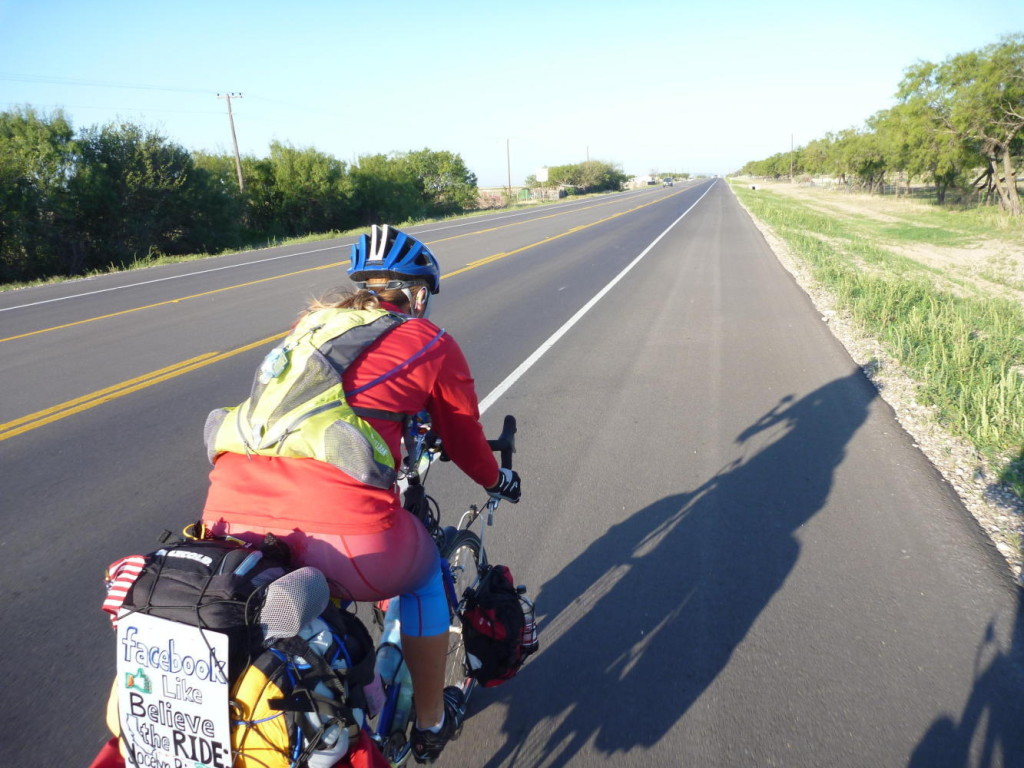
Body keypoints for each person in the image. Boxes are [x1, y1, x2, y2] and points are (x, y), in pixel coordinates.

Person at [201, 225, 522, 764]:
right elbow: (464, 435)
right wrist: (497, 481)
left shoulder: (310, 327)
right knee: (421, 577)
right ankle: (430, 721)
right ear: (417, 293)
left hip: (226, 520)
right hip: (342, 525)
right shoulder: (430, 340)